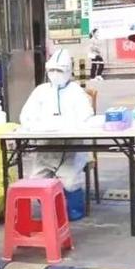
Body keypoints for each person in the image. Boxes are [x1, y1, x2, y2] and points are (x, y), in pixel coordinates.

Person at [20, 48, 95, 221]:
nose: (55, 74)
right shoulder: (41, 91)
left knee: (69, 181)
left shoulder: (76, 92)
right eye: (52, 70)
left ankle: (72, 211)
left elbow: (86, 117)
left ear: (68, 71)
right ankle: (51, 209)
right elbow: (26, 116)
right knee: (36, 180)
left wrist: (66, 124)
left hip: (72, 149)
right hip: (45, 148)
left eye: (59, 70)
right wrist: (37, 125)